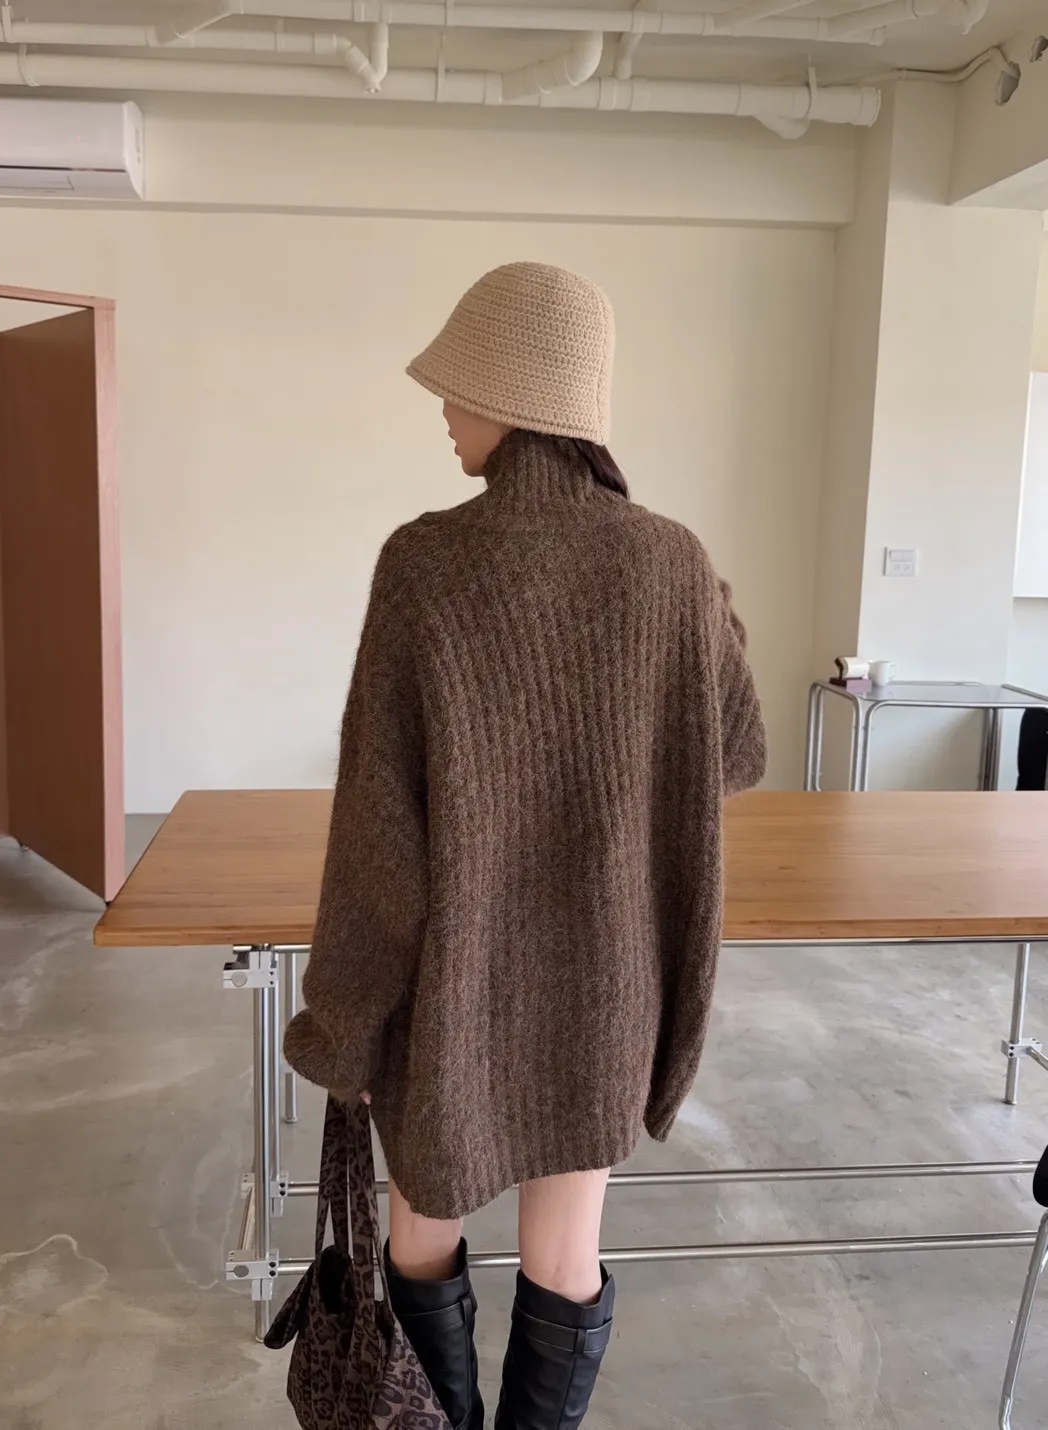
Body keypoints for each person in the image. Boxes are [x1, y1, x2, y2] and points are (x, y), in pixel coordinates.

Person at [284, 261, 767, 1430]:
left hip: (456, 987)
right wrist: (699, 599)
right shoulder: (668, 558)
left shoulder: (425, 564)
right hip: (606, 986)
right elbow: (737, 749)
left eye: (460, 387)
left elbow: (379, 839)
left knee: (422, 1225)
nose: (443, 409)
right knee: (565, 1249)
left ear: (515, 396)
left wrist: (347, 1018)